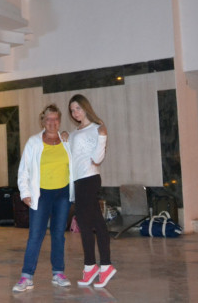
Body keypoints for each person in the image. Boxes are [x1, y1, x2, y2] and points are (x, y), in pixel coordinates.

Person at [12, 104, 74, 292]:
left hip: (62, 194)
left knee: (58, 234)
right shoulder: (33, 142)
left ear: (60, 121)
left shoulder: (67, 141)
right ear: (43, 121)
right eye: (48, 119)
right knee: (35, 235)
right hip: (41, 195)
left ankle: (58, 273)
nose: (52, 122)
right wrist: (25, 193)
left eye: (55, 119)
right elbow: (24, 170)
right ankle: (26, 276)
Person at [67, 94, 115, 288]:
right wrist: (65, 139)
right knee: (87, 224)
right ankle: (91, 267)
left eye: (78, 108)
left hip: (89, 178)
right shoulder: (74, 133)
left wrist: (102, 137)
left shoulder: (96, 128)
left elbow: (97, 159)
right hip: (78, 181)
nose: (75, 113)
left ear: (85, 107)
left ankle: (104, 266)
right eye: (72, 110)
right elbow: (71, 158)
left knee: (93, 223)